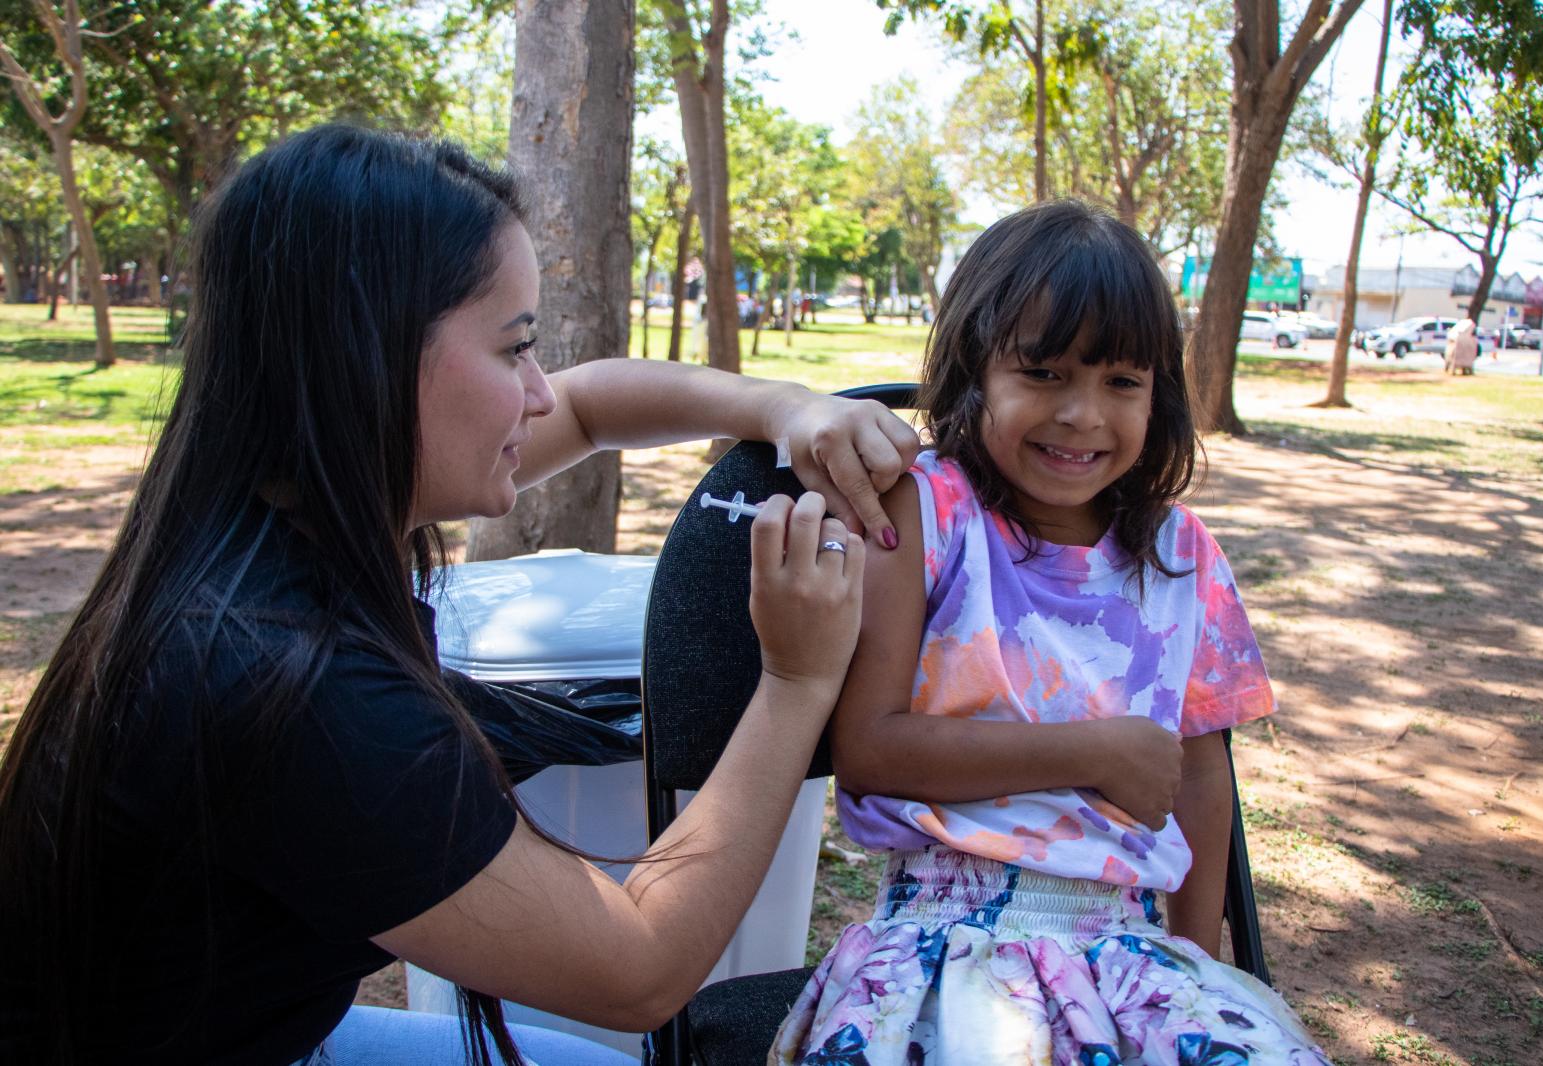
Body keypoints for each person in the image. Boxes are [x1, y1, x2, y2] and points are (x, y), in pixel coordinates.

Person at [0, 125, 922, 1066]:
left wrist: (783, 409)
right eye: (514, 347)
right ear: (368, 357)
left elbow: (592, 404)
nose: (534, 393)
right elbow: (638, 967)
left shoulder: (262, 517)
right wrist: (795, 681)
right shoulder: (291, 686)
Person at [772, 201, 1331, 1064]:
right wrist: (1095, 752)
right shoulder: (924, 514)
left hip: (1133, 947)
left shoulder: (1183, 555)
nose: (1082, 415)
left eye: (1121, 382)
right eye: (1043, 373)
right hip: (945, 946)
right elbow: (870, 750)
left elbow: (1199, 779)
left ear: (1160, 396)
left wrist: (1197, 962)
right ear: (974, 371)